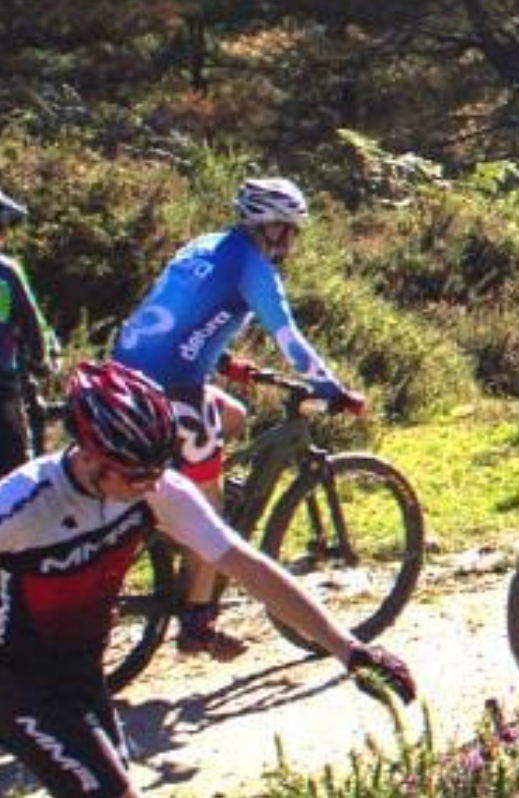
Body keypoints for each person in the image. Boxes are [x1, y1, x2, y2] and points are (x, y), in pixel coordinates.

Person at [0, 360, 414, 798]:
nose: (150, 485)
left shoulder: (156, 488)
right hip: (17, 675)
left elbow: (244, 564)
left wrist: (349, 649)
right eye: (138, 475)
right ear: (91, 457)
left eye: (157, 470)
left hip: (82, 669)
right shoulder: (24, 504)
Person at [113, 178, 356, 658]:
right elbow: (289, 338)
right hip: (171, 389)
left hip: (127, 372)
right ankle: (198, 622)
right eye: (290, 231)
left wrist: (224, 364)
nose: (292, 242)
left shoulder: (203, 246)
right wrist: (332, 388)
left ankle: (180, 504)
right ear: (273, 229)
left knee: (233, 414)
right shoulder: (255, 267)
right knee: (211, 514)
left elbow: (177, 314)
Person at [0, 188, 59, 473]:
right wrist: (41, 360)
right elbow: (29, 318)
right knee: (14, 464)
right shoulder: (6, 271)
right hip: (2, 381)